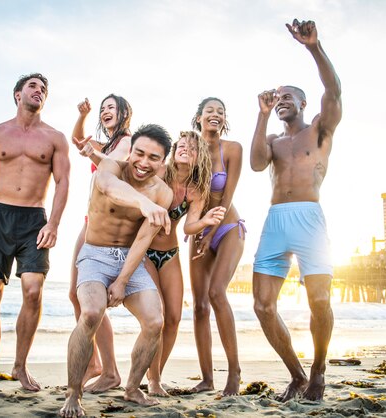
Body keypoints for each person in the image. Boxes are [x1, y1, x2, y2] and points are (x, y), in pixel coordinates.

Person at [0, 73, 70, 401]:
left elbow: (62, 183)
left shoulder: (55, 138)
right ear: (17, 94)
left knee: (33, 290)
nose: (39, 91)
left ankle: (20, 365)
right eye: (33, 86)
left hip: (34, 219)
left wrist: (55, 224)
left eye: (44, 88)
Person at [250, 19, 342, 402]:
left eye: (290, 95)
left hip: (309, 218)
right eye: (278, 95)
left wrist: (314, 47)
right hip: (276, 221)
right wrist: (260, 114)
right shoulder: (272, 140)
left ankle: (319, 371)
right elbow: (256, 164)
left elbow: (333, 92)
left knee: (319, 300)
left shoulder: (319, 130)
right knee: (262, 306)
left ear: (303, 103)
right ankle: (297, 374)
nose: (282, 98)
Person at [60, 124, 174, 417]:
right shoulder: (110, 166)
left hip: (129, 260)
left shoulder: (163, 193)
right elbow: (109, 187)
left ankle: (133, 388)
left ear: (163, 162)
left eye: (153, 158)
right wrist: (143, 203)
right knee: (91, 313)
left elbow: (143, 240)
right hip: (95, 254)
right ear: (131, 150)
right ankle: (73, 394)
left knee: (154, 320)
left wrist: (123, 280)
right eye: (139, 153)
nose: (144, 163)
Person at [145, 131, 226, 396]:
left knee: (174, 318)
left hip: (170, 254)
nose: (184, 150)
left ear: (199, 156)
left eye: (191, 148)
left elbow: (190, 226)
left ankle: (155, 375)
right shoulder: (159, 173)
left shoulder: (196, 189)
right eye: (181, 146)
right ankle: (154, 381)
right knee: (156, 316)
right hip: (145, 253)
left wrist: (206, 221)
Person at [69, 94, 133, 391]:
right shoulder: (103, 144)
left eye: (112, 107)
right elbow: (78, 139)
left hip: (108, 228)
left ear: (123, 113)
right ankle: (95, 362)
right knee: (74, 294)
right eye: (103, 108)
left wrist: (92, 153)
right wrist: (83, 115)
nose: (106, 111)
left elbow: (115, 163)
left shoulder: (127, 142)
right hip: (89, 221)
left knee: (93, 301)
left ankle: (109, 370)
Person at [189, 97, 245, 396]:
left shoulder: (232, 149)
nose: (215, 115)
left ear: (224, 119)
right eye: (209, 111)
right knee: (198, 306)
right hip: (198, 231)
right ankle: (207, 378)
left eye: (220, 111)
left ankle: (234, 373)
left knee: (216, 292)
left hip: (227, 229)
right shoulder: (188, 150)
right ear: (198, 117)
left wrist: (210, 234)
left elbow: (226, 197)